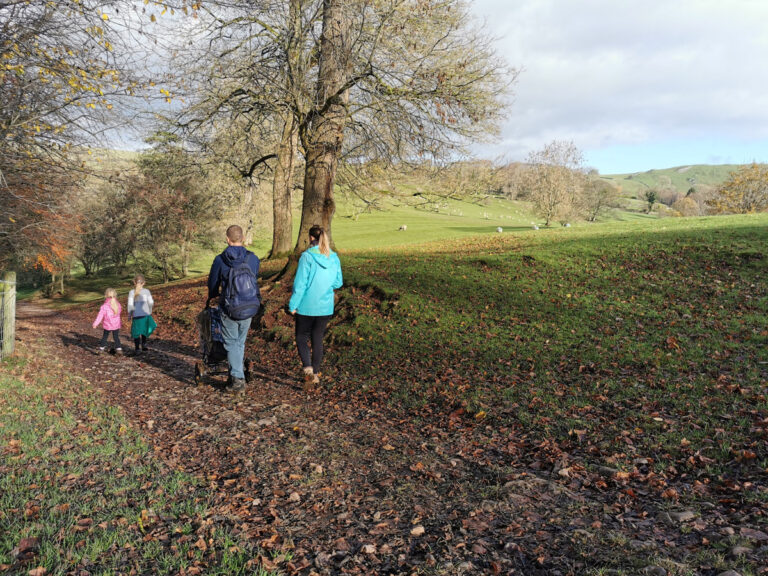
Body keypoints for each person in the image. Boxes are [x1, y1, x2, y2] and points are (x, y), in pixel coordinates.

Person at [208, 224, 261, 392]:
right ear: (243, 238)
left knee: (231, 343)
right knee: (240, 342)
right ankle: (235, 375)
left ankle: (237, 380)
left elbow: (213, 283)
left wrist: (213, 294)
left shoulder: (220, 259)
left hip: (229, 307)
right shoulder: (253, 259)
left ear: (227, 240)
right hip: (249, 306)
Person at [289, 225, 343, 389]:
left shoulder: (306, 257)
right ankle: (316, 373)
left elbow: (300, 284)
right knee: (317, 338)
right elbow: (338, 282)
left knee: (301, 337)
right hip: (325, 306)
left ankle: (308, 369)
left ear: (311, 238)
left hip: (306, 305)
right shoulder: (334, 257)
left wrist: (293, 304)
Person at [128, 273, 156, 354]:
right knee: (144, 330)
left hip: (136, 315)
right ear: (144, 283)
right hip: (145, 314)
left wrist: (130, 315)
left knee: (136, 332)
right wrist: (150, 310)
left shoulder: (131, 292)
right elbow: (151, 302)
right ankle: (144, 345)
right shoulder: (147, 291)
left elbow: (130, 305)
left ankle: (137, 348)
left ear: (134, 282)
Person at [93, 288, 123, 354]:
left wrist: (95, 324)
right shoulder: (118, 304)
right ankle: (119, 349)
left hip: (108, 324)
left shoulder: (104, 306)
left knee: (105, 336)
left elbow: (100, 316)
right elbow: (119, 313)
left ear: (106, 296)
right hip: (116, 324)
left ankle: (101, 349)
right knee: (116, 337)